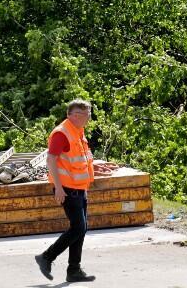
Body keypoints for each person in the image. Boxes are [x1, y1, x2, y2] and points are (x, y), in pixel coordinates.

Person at [35, 99, 116, 283]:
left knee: (80, 229)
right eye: (86, 115)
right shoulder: (61, 133)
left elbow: (78, 160)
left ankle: (74, 270)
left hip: (79, 188)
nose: (89, 118)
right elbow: (51, 161)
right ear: (74, 115)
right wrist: (59, 188)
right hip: (67, 189)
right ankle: (47, 257)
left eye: (89, 114)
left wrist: (96, 168)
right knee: (79, 227)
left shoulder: (78, 132)